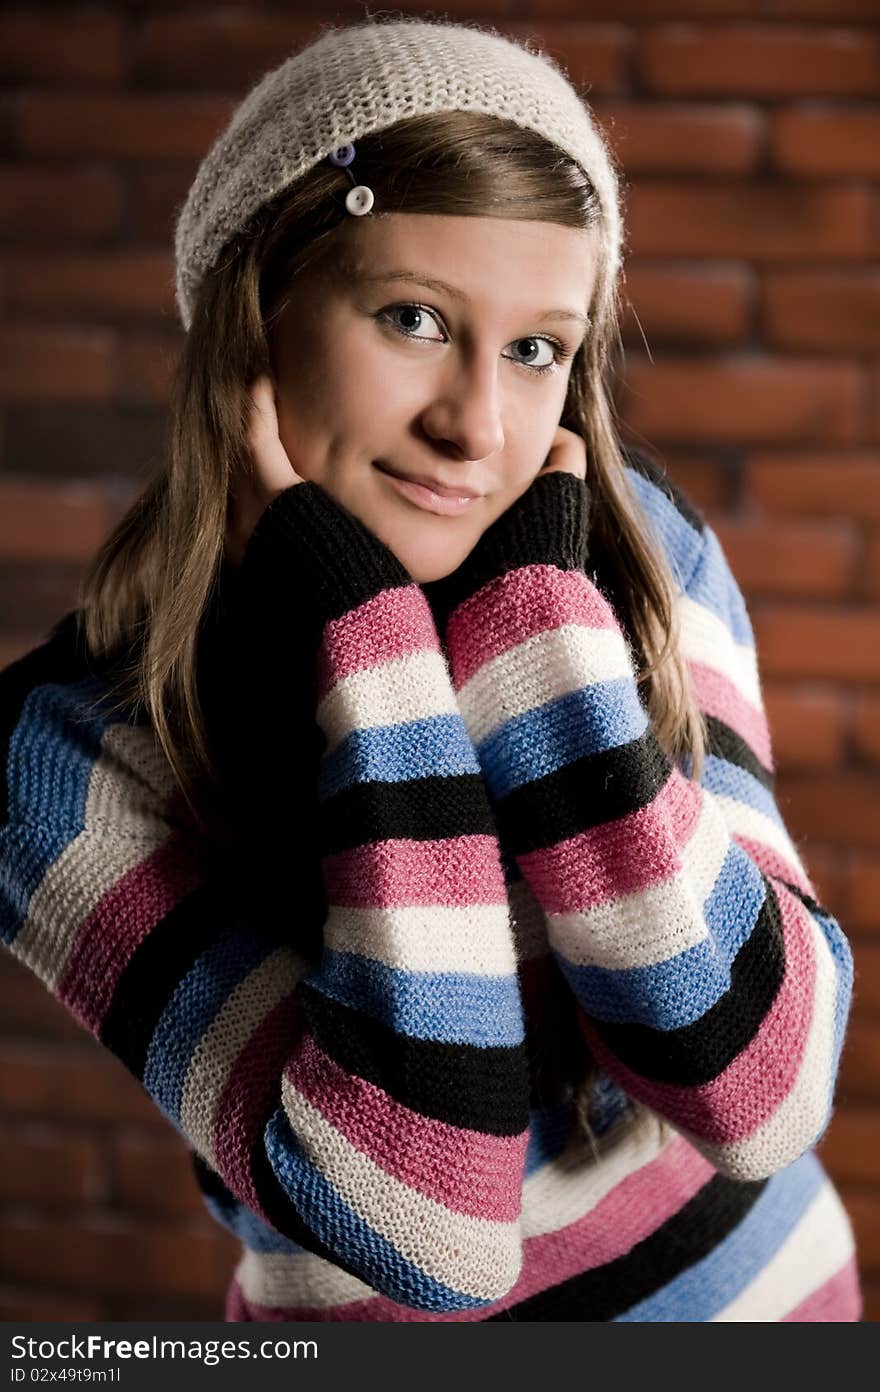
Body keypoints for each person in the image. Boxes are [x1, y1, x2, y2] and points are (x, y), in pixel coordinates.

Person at [0, 15, 861, 1322]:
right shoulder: (64, 749)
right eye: (413, 318)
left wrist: (534, 644)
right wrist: (377, 656)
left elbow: (762, 1089)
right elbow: (425, 1217)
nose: (478, 425)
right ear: (253, 314)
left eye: (538, 350)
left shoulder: (641, 562)